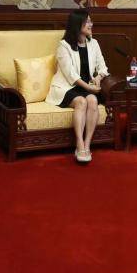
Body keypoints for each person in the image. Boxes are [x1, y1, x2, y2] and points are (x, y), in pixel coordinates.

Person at [46, 10, 110, 163]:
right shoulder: (64, 46)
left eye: (90, 21)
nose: (91, 24)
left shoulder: (93, 43)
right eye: (87, 22)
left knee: (93, 100)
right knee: (81, 101)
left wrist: (98, 77)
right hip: (67, 87)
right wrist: (89, 88)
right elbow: (70, 75)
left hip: (86, 86)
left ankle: (87, 144)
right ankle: (79, 144)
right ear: (77, 24)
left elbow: (103, 67)